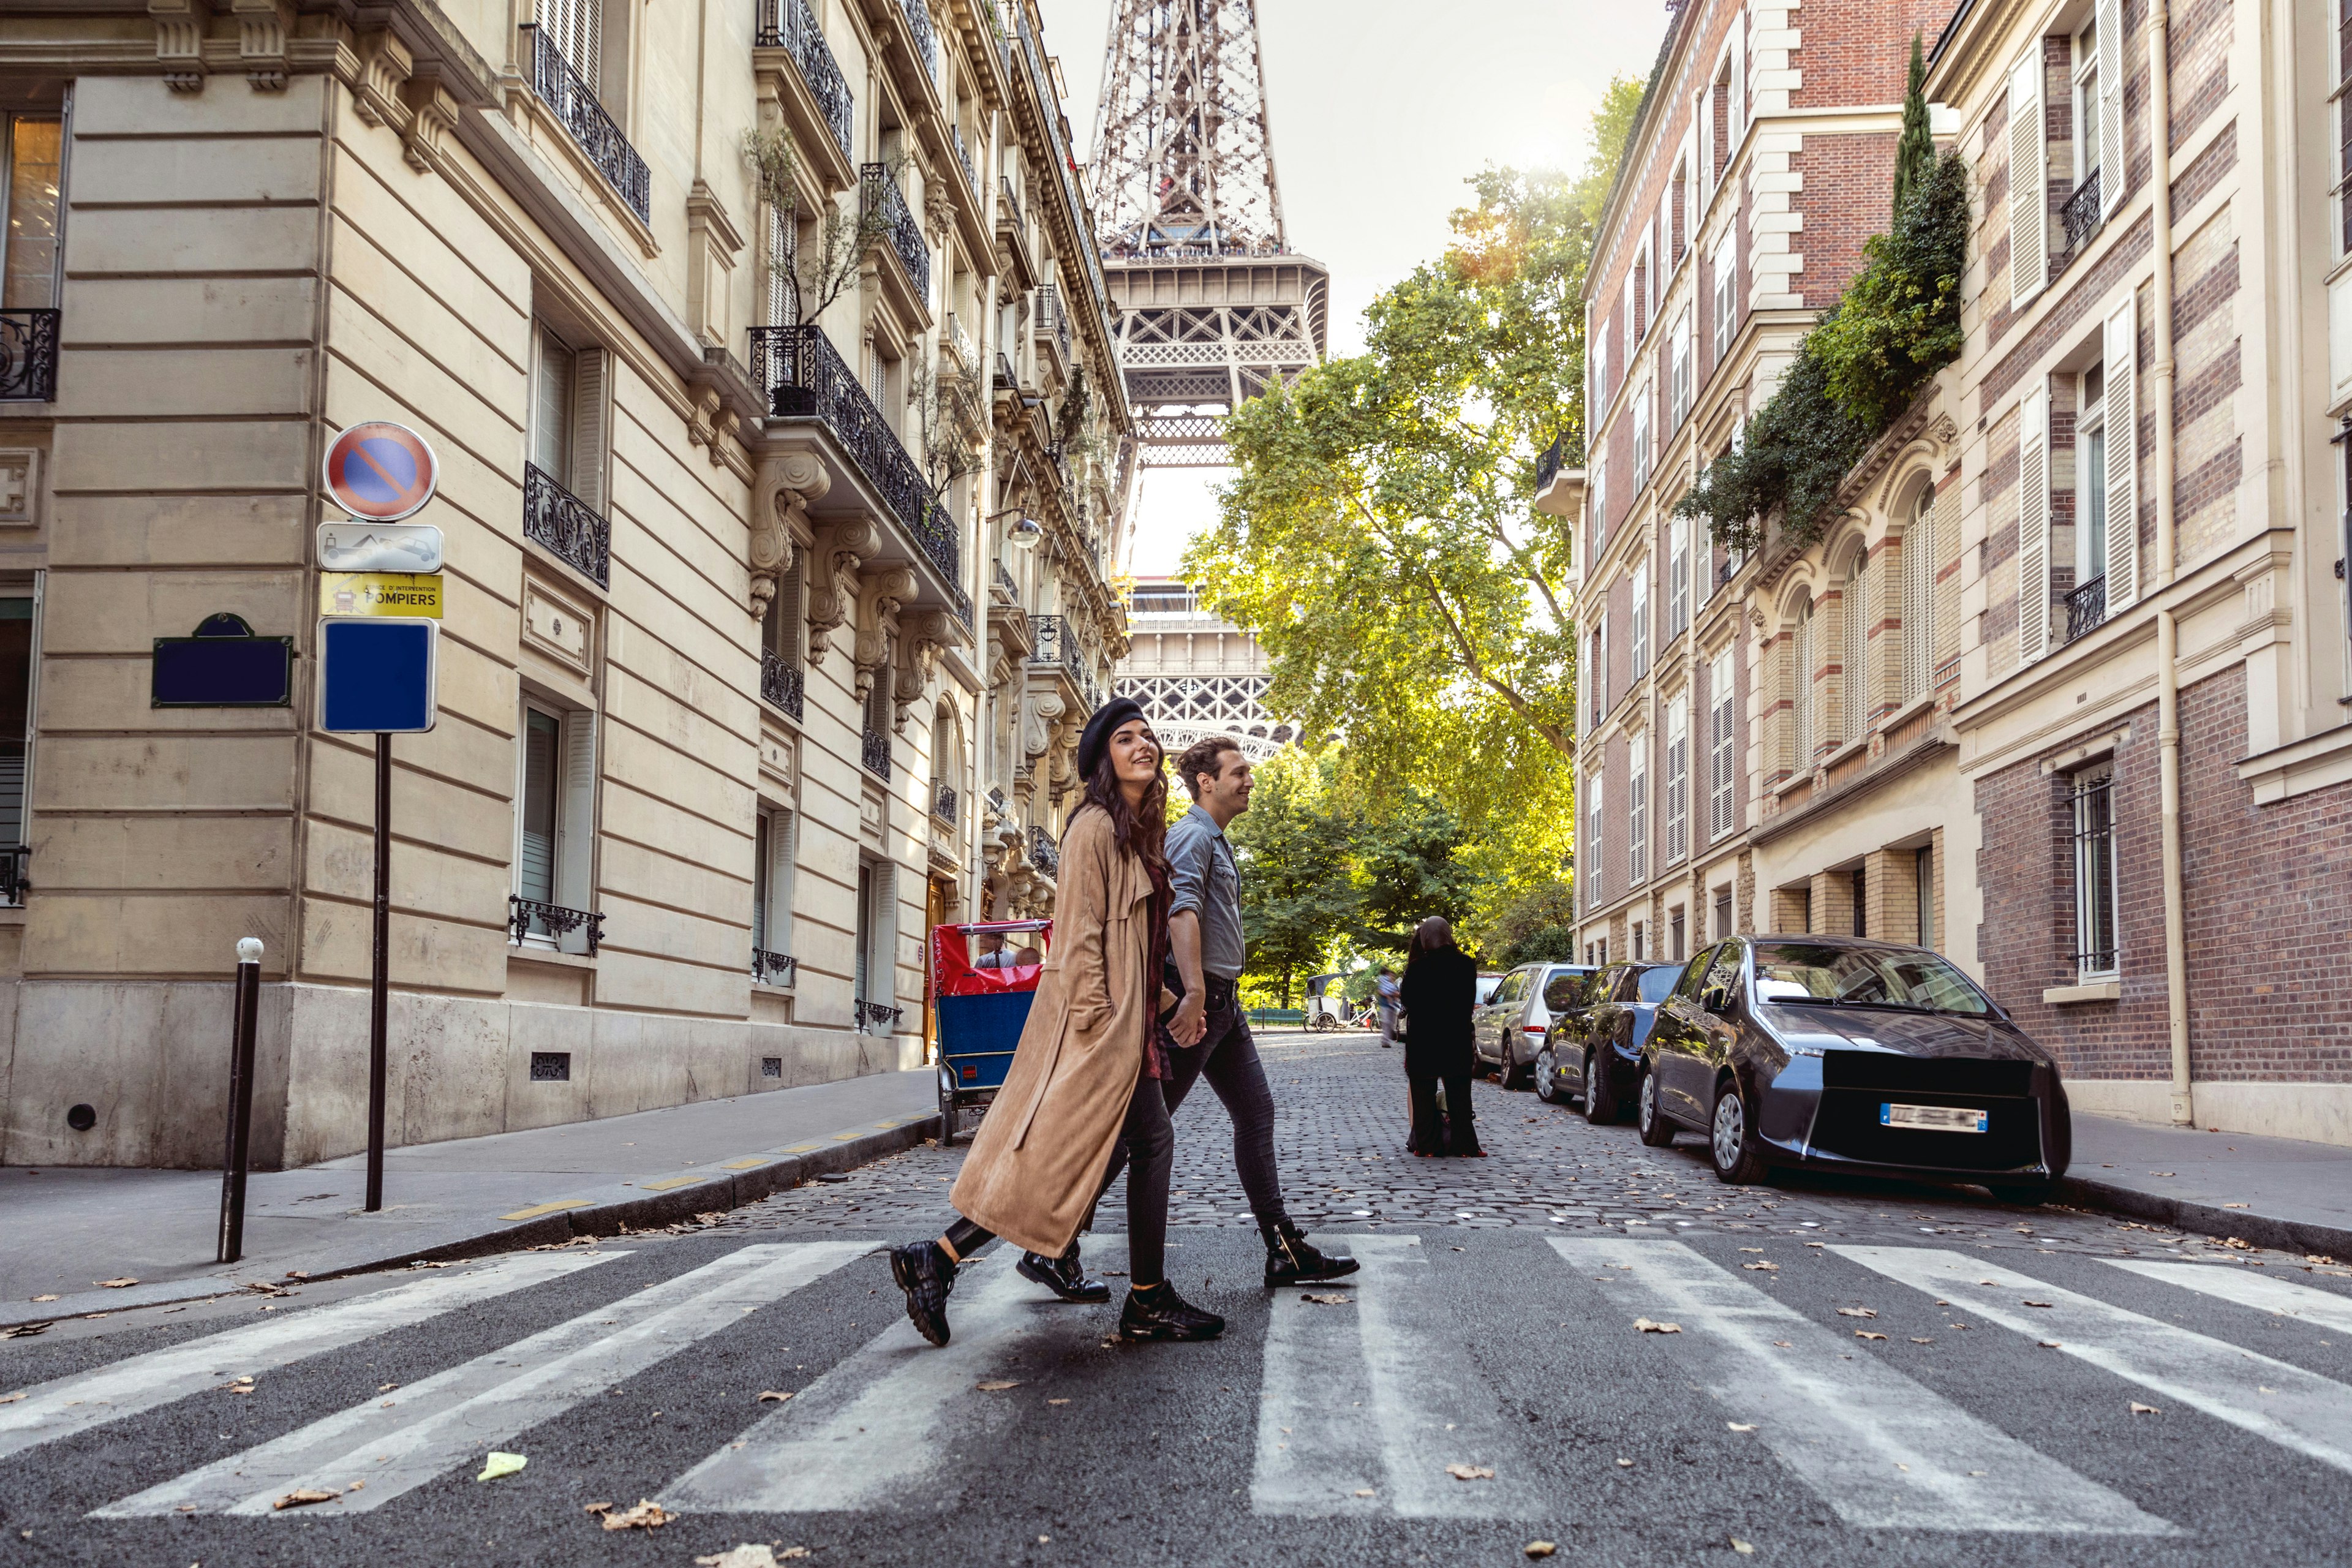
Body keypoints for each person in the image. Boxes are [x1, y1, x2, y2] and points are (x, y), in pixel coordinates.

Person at [889, 699, 1223, 1346]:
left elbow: (1132, 947)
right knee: (1131, 1145)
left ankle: (941, 1256)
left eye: (1148, 735)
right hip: (1097, 1028)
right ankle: (1145, 1299)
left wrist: (1165, 1005)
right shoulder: (1094, 827)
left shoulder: (1132, 832)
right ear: (1103, 758)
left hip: (1125, 1023)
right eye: (1126, 738)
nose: (1143, 744)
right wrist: (1104, 1025)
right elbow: (1078, 940)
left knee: (1078, 1156)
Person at [1071, 734, 1359, 1292]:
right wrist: (1195, 995)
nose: (1250, 781)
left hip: (1222, 1005)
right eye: (1240, 772)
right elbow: (1180, 913)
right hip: (1195, 1002)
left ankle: (1283, 1248)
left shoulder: (1216, 840)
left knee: (1256, 1114)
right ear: (1207, 781)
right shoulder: (1190, 836)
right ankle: (1056, 1240)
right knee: (1145, 1136)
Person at [1400, 916, 1483, 1157]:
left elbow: (1408, 1001)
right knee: (1459, 1094)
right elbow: (1468, 1000)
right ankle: (1465, 1145)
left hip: (1424, 1040)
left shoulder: (1418, 967)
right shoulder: (1466, 965)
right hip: (1455, 1038)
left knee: (1423, 1093)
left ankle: (1428, 1146)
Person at [1374, 967, 1401, 1048]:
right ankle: (1385, 1041)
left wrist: (1391, 995)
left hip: (1392, 1007)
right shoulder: (1384, 984)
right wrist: (1389, 995)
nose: (1392, 977)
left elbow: (1398, 994)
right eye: (1391, 975)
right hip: (1385, 1006)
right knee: (1386, 1023)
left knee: (1390, 1024)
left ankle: (1387, 1041)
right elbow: (1380, 991)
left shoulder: (1393, 985)